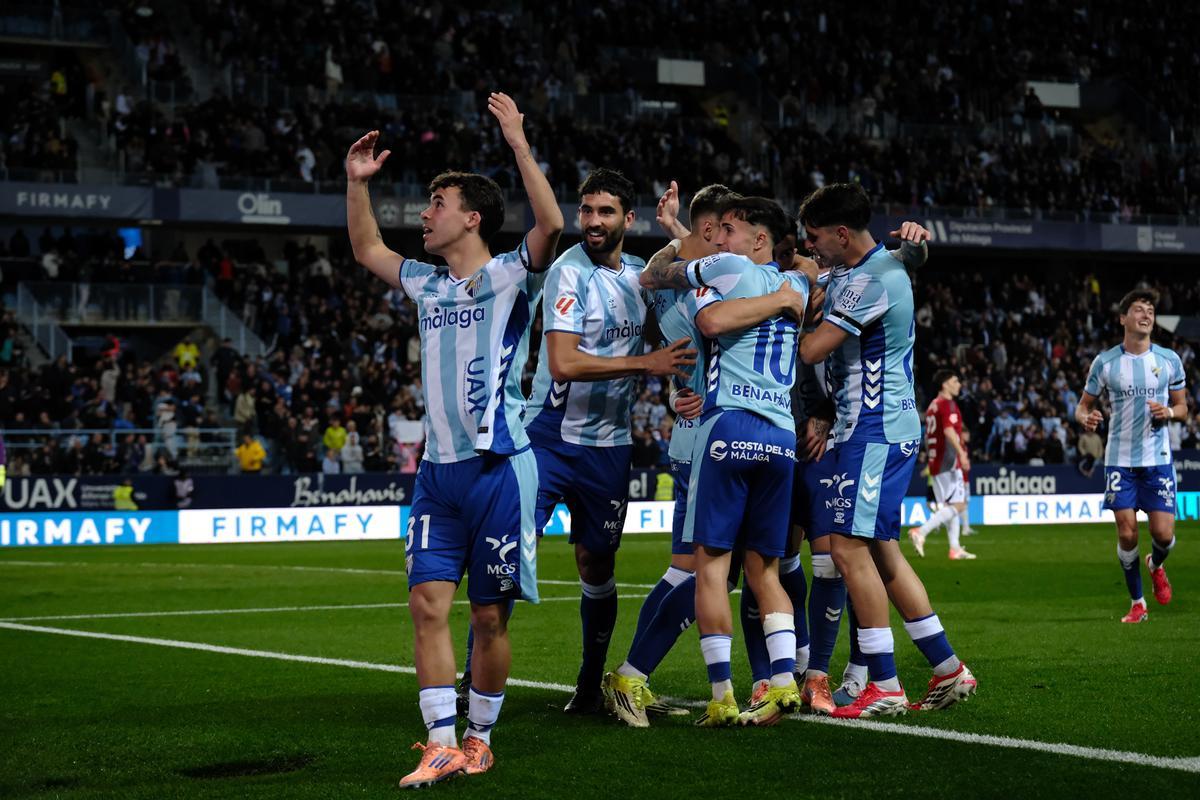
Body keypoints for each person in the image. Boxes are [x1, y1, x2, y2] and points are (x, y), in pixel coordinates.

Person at [345, 92, 564, 787]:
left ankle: (480, 736)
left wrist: (518, 142)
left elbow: (550, 222)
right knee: (426, 604)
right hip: (438, 475)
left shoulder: (507, 275)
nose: (426, 212)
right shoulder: (424, 283)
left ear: (471, 217)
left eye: (437, 202)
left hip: (499, 470)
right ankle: (439, 740)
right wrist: (357, 185)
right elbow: (365, 247)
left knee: (489, 617)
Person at [603, 183, 812, 726]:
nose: (723, 238)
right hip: (705, 438)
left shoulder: (720, 275)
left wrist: (679, 232)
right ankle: (633, 676)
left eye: (729, 230)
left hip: (727, 428)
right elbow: (671, 299)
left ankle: (642, 677)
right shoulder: (696, 286)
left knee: (713, 569)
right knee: (703, 569)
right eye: (715, 230)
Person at [508, 167, 694, 716]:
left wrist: (675, 227)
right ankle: (475, 679)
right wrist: (648, 362)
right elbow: (562, 363)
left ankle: (590, 686)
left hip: (610, 448)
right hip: (549, 438)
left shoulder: (640, 275)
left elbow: (709, 275)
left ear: (626, 219)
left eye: (604, 212)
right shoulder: (568, 272)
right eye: (586, 210)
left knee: (597, 564)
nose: (591, 221)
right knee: (509, 556)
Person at [799, 183, 976, 718]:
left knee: (848, 550)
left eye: (815, 239)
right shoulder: (865, 268)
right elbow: (908, 254)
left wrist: (787, 308)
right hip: (875, 429)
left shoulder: (874, 280)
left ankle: (886, 684)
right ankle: (948, 670)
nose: (811, 249)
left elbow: (809, 349)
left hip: (873, 432)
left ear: (842, 233)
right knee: (883, 551)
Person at [1074, 288, 1187, 624]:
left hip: (1158, 458)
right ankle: (1138, 603)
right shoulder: (1106, 362)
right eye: (1139, 309)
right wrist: (1087, 418)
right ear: (1123, 318)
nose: (1146, 314)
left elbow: (1182, 408)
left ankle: (1156, 564)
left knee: (1164, 535)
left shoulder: (1168, 360)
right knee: (1126, 533)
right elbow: (1083, 406)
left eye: (1150, 309)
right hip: (1119, 460)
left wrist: (1168, 411)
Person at [908, 369, 976, 559]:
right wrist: (962, 454)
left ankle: (954, 548)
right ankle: (921, 531)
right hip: (948, 461)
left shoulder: (933, 406)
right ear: (945, 384)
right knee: (960, 504)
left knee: (950, 506)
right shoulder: (947, 404)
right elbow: (949, 431)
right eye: (955, 381)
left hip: (936, 460)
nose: (959, 384)